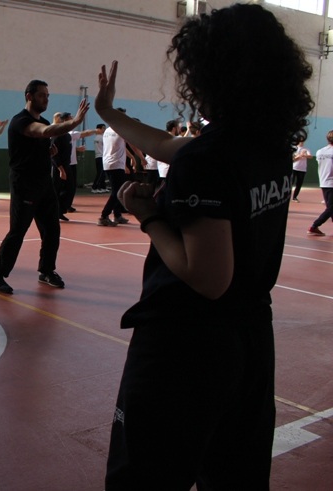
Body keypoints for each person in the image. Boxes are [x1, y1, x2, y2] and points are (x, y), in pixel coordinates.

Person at [95, 4, 314, 488]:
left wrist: (149, 216)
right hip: (250, 340)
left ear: (210, 73)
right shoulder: (268, 145)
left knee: (145, 476)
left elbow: (208, 278)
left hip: (185, 349)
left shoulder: (210, 159)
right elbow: (168, 148)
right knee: (234, 473)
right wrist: (110, 113)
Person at [0, 80, 89, 294]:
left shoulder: (42, 121)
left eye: (48, 95)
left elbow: (44, 140)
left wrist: (50, 152)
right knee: (18, 231)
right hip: (24, 184)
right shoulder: (20, 122)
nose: (46, 99)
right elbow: (43, 132)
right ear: (29, 96)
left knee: (52, 229)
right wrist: (75, 122)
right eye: (42, 95)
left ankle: (46, 271)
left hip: (44, 184)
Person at [54, 112, 102, 219]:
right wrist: (95, 131)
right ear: (65, 120)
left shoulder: (67, 135)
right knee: (61, 189)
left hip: (69, 164)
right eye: (70, 118)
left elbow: (66, 147)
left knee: (69, 188)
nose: (73, 120)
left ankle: (62, 209)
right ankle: (56, 210)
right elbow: (85, 133)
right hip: (62, 166)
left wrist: (77, 149)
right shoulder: (64, 133)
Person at [97, 113, 131, 227]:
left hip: (109, 163)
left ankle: (117, 215)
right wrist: (140, 158)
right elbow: (131, 144)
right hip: (115, 164)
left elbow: (121, 146)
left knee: (118, 190)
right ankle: (104, 216)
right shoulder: (120, 130)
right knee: (117, 191)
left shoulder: (107, 131)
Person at [307, 131, 333, 236]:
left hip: (323, 182)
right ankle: (314, 226)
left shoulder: (319, 152)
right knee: (331, 207)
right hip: (331, 182)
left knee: (330, 206)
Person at [291, 138, 312, 202]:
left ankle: (294, 197)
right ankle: (287, 196)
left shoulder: (306, 149)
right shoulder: (294, 149)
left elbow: (310, 156)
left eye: (303, 141)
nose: (302, 142)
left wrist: (304, 155)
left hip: (302, 169)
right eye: (300, 141)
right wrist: (300, 155)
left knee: (299, 184)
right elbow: (293, 159)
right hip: (294, 168)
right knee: (290, 183)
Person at [91, 124, 108, 194]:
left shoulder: (97, 138)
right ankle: (94, 187)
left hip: (100, 157)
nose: (104, 130)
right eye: (103, 128)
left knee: (103, 173)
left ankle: (102, 187)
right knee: (100, 173)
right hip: (100, 156)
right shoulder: (101, 138)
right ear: (99, 129)